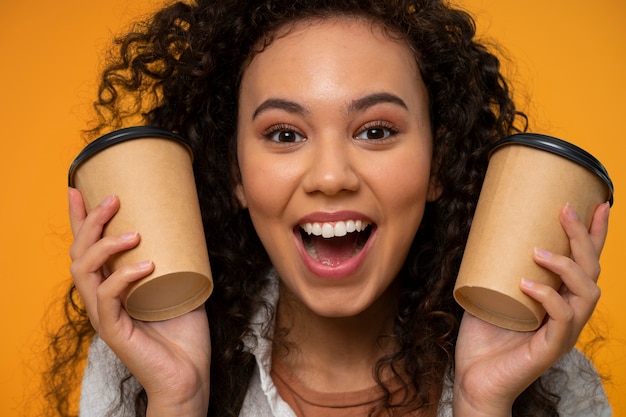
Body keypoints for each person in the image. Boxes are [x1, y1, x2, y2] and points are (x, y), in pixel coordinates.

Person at [45, 0, 612, 416]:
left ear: (438, 164)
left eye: (375, 130)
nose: (331, 177)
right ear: (236, 174)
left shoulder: (550, 386)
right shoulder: (135, 373)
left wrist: (481, 402)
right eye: (286, 135)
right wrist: (180, 397)